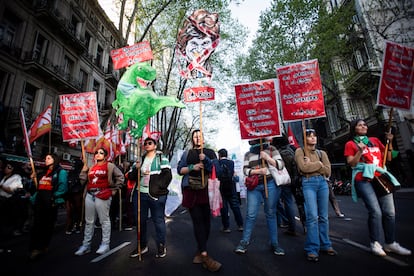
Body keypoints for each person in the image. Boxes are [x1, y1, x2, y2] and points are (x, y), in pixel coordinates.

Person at [344, 119, 411, 256]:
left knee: (390, 212)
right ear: (354, 128)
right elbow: (351, 163)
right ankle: (375, 243)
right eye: (359, 125)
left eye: (364, 124)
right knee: (375, 211)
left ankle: (390, 243)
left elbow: (389, 158)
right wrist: (359, 151)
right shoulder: (351, 144)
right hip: (363, 179)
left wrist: (390, 142)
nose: (363, 126)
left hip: (380, 177)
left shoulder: (374, 140)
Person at [177, 129, 221, 272]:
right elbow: (179, 169)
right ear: (192, 139)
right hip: (191, 189)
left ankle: (200, 250)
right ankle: (205, 255)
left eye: (199, 136)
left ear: (203, 138)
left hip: (207, 190)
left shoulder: (209, 152)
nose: (197, 138)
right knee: (198, 222)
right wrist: (192, 167)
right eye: (195, 136)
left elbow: (217, 169)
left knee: (206, 223)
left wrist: (206, 160)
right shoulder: (187, 153)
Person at [234, 138, 285, 256]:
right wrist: (258, 171)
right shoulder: (248, 154)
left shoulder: (272, 149)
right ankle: (244, 242)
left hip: (271, 184)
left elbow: (280, 165)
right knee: (250, 214)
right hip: (254, 187)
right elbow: (245, 170)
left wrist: (268, 158)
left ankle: (274, 243)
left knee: (271, 213)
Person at [295, 129, 336, 262]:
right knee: (312, 216)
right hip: (308, 183)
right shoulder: (299, 151)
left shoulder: (321, 152)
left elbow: (328, 171)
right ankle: (312, 248)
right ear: (304, 138)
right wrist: (319, 165)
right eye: (309, 136)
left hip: (322, 183)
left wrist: (313, 165)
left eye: (314, 135)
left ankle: (326, 244)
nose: (313, 138)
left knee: (323, 216)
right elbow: (303, 168)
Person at [74, 147, 124, 256]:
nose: (98, 154)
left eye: (101, 153)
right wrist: (84, 170)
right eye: (96, 152)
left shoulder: (110, 166)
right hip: (90, 194)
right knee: (89, 221)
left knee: (104, 220)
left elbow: (120, 177)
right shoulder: (91, 167)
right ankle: (86, 245)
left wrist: (114, 190)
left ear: (105, 156)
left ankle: (105, 244)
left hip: (103, 194)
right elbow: (83, 181)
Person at [128, 137, 171, 258]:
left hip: (156, 195)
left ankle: (161, 245)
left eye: (150, 143)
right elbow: (131, 177)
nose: (147, 145)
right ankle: (142, 246)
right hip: (140, 194)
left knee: (158, 220)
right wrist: (136, 169)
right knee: (140, 221)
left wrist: (158, 188)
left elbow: (167, 175)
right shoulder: (140, 159)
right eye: (145, 143)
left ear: (155, 145)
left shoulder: (161, 158)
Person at [29, 153, 68, 260]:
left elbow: (63, 187)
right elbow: (38, 188)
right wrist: (33, 179)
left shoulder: (61, 172)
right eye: (45, 158)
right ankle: (35, 247)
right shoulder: (42, 173)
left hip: (50, 202)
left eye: (49, 158)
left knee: (47, 225)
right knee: (37, 224)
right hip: (39, 201)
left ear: (54, 160)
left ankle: (41, 246)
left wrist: (54, 196)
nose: (46, 160)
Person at [272, 135, 298, 236]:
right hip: (296, 179)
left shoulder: (277, 153)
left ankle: (292, 227)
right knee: (301, 203)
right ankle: (306, 225)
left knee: (288, 203)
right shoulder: (293, 150)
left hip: (284, 180)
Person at [216, 148, 243, 233]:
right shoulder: (231, 162)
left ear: (219, 155)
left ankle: (226, 227)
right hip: (231, 187)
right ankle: (240, 225)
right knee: (235, 207)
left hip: (221, 187)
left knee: (224, 208)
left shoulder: (217, 163)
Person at [0, 161, 24, 237]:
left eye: (9, 167)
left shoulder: (16, 177)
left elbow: (12, 191)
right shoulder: (4, 177)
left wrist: (1, 186)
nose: (7, 169)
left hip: (7, 202)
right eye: (6, 167)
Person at [65, 159, 84, 234]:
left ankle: (76, 225)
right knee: (71, 211)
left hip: (77, 193)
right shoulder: (71, 172)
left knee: (77, 210)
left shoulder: (82, 173)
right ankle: (71, 225)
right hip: (71, 193)